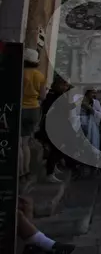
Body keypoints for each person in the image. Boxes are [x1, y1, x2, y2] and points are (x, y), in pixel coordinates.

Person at [20, 48, 47, 182]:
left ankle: (20, 172)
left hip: (20, 109)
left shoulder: (20, 73)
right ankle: (27, 171)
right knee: (26, 143)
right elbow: (43, 96)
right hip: (34, 109)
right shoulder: (40, 76)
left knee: (19, 143)